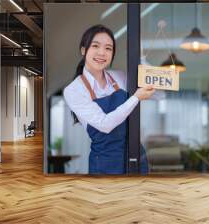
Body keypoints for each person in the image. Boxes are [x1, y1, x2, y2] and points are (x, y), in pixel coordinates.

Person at [63, 24, 155, 175]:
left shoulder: (120, 77)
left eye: (108, 48)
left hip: (136, 157)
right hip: (105, 163)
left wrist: (143, 62)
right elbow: (105, 124)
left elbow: (159, 94)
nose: (102, 53)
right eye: (95, 46)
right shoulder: (73, 90)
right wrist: (135, 98)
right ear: (83, 50)